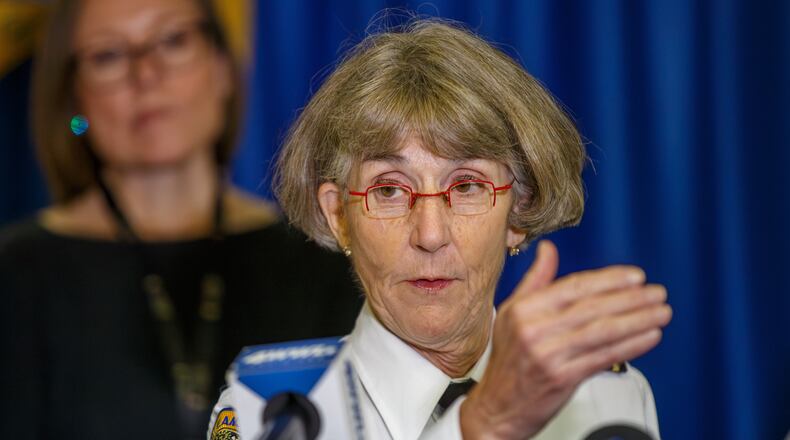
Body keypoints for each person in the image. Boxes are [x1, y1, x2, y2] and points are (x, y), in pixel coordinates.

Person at [211, 18, 672, 440]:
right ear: (339, 217)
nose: (430, 234)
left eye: (467, 185)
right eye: (389, 191)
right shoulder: (277, 413)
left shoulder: (605, 395)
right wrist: (482, 424)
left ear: (519, 208)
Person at [0, 0, 361, 438]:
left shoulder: (325, 259)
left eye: (173, 41)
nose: (147, 75)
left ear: (224, 67)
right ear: (74, 97)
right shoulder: (14, 274)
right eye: (108, 56)